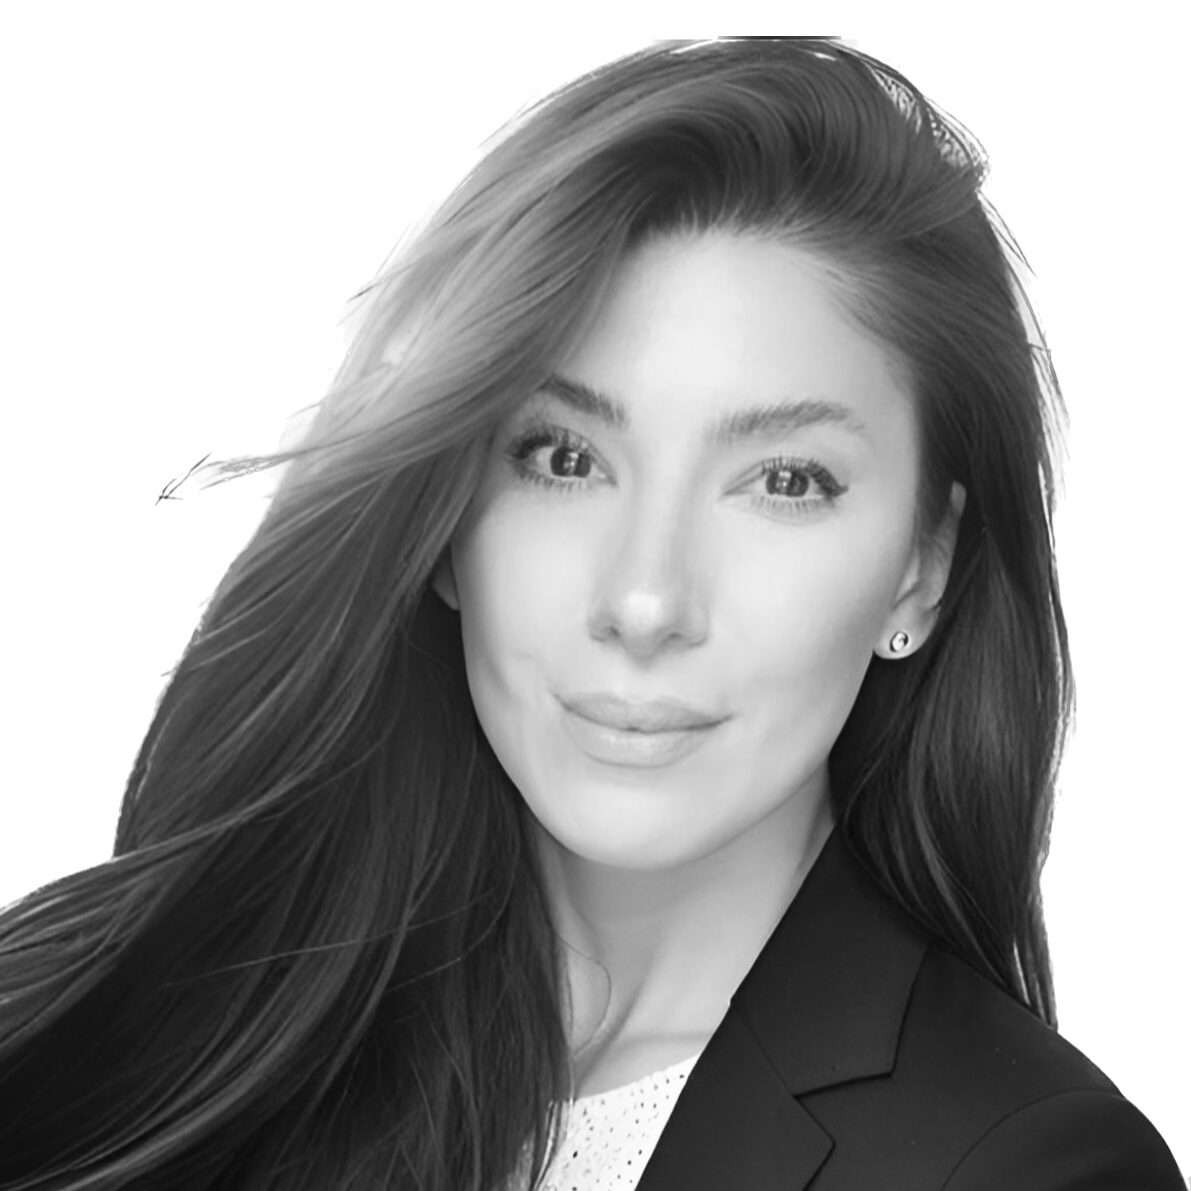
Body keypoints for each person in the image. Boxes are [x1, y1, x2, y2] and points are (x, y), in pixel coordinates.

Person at [0, 35, 1182, 1191]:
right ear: (444, 515)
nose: (645, 601)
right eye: (565, 458)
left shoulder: (1031, 1168)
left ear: (921, 570)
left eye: (783, 481)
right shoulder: (135, 1025)